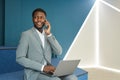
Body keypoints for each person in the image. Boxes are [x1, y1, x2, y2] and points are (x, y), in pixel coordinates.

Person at [16, 8, 78, 80]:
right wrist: (43, 67)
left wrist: (49, 34)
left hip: (49, 71)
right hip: (34, 73)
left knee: (72, 78)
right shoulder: (26, 34)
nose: (39, 20)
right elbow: (19, 58)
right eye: (36, 17)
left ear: (45, 20)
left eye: (41, 17)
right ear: (32, 19)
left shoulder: (48, 35)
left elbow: (59, 52)